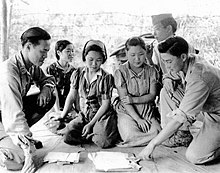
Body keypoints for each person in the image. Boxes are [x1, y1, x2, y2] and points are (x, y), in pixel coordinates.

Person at [138, 36, 220, 164]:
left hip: (217, 116)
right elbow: (168, 76)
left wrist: (152, 144)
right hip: (207, 108)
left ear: (182, 57)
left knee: (195, 156)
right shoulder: (188, 60)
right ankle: (179, 135)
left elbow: (180, 118)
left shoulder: (200, 76)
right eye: (164, 61)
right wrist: (168, 79)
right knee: (166, 91)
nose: (166, 65)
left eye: (169, 62)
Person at [0, 27, 56, 172]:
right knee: (18, 162)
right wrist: (28, 149)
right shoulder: (8, 72)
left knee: (50, 97)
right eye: (43, 51)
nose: (45, 56)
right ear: (28, 47)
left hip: (8, 115)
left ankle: (17, 139)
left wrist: (45, 89)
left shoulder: (31, 66)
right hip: (5, 116)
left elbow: (48, 79)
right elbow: (14, 114)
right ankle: (12, 142)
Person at [52, 39, 119, 148]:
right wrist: (62, 116)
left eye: (98, 60)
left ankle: (96, 131)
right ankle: (92, 133)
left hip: (101, 115)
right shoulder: (78, 73)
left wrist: (90, 124)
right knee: (67, 136)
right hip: (84, 114)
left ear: (103, 60)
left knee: (104, 142)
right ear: (84, 58)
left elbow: (105, 104)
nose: (94, 64)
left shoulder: (106, 77)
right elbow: (72, 95)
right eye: (90, 59)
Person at [150, 13, 199, 146]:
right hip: (171, 86)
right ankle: (171, 132)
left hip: (188, 89)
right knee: (164, 91)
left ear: (169, 28)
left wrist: (170, 78)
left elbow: (187, 72)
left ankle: (181, 131)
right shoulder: (157, 47)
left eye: (158, 29)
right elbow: (160, 71)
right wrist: (166, 78)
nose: (154, 33)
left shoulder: (183, 45)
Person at [114, 36, 161, 147]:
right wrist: (138, 120)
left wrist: (134, 99)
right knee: (130, 136)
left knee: (158, 132)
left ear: (145, 52)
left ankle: (148, 138)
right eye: (132, 55)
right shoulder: (120, 72)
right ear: (126, 53)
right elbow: (125, 100)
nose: (137, 59)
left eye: (141, 54)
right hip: (127, 110)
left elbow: (152, 95)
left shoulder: (151, 70)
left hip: (146, 109)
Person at [46, 40, 76, 112]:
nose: (71, 54)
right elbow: (53, 91)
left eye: (72, 51)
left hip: (69, 107)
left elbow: (74, 93)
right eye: (68, 51)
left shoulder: (74, 71)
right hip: (53, 107)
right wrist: (58, 111)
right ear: (59, 53)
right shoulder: (51, 69)